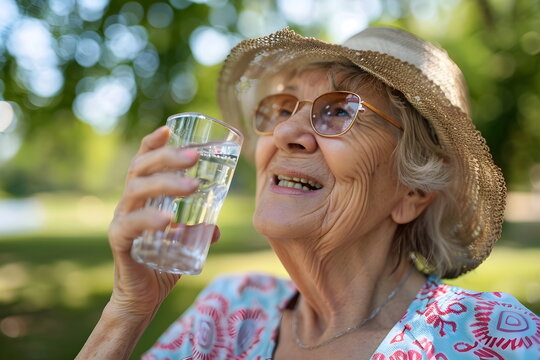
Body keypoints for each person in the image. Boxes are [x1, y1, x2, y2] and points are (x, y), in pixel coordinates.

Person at [77, 27, 540, 359]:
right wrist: (127, 311)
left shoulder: (493, 338)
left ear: (414, 190)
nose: (286, 133)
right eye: (283, 107)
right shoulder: (229, 313)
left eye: (339, 112)